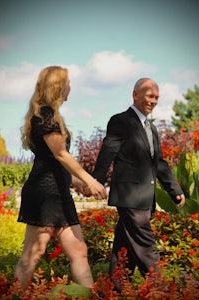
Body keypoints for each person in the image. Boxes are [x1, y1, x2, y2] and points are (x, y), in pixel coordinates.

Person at [14, 66, 107, 288]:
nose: (70, 87)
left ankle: (90, 294)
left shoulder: (50, 116)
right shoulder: (45, 116)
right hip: (44, 195)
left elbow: (52, 161)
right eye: (68, 83)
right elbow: (60, 154)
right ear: (58, 86)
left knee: (79, 251)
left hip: (58, 193)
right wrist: (90, 180)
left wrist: (75, 182)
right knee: (33, 254)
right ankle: (12, 295)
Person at [92, 78, 185, 290]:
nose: (153, 101)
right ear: (135, 95)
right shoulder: (120, 121)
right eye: (150, 96)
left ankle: (113, 289)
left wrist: (174, 189)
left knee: (123, 247)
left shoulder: (151, 129)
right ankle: (162, 289)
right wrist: (95, 180)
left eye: (157, 98)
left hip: (145, 197)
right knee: (146, 245)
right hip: (129, 196)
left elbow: (158, 162)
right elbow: (109, 151)